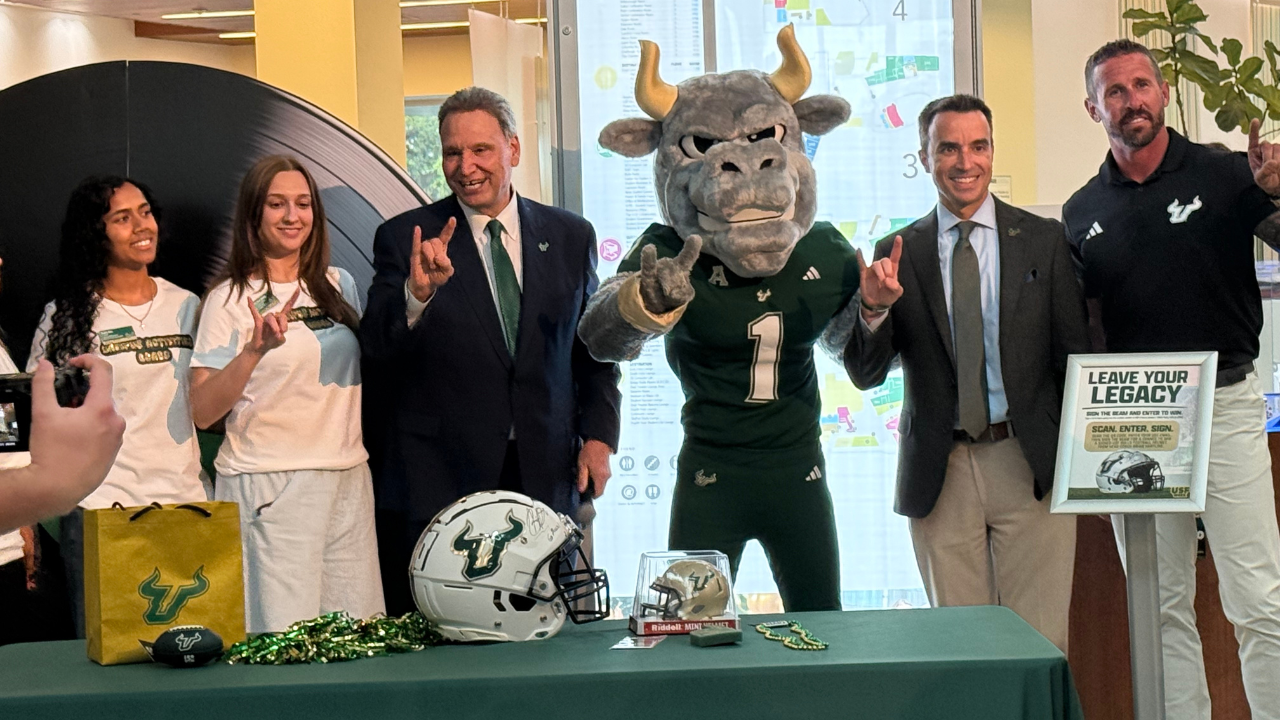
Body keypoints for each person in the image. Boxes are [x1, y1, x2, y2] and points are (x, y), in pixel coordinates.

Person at [1063, 39, 1280, 719]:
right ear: (1094, 108)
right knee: (1160, 609)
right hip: (1138, 420)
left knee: (1258, 600)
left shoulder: (1227, 174)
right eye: (1115, 91)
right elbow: (1087, 331)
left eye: (1142, 85)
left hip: (1227, 405)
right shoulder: (1079, 210)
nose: (1132, 101)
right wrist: (1091, 444)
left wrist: (1277, 191)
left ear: (1161, 93)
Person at [361, 86, 621, 615]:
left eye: (480, 150)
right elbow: (377, 348)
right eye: (453, 153)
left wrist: (599, 436)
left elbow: (591, 348)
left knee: (548, 626)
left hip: (545, 468)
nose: (465, 166)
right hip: (444, 477)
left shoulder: (570, 235)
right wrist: (418, 296)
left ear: (513, 150)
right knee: (455, 634)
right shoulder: (406, 238)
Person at [844, 94, 1088, 652]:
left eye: (978, 146)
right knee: (963, 650)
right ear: (925, 157)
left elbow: (1072, 358)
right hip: (941, 472)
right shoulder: (898, 251)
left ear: (992, 152)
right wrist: (874, 309)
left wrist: (1083, 464)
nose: (965, 161)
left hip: (1030, 467)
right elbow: (864, 374)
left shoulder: (1044, 241)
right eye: (948, 148)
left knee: (1041, 646)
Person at [190, 155, 383, 633]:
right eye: (277, 204)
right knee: (284, 643)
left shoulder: (340, 286)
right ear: (254, 215)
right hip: (269, 484)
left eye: (302, 203)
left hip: (346, 478)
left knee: (354, 641)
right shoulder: (229, 299)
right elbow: (202, 410)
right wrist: (254, 351)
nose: (292, 216)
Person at [28, 176, 207, 637]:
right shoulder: (66, 315)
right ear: (96, 233)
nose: (140, 226)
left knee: (191, 650)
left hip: (185, 505)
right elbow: (40, 414)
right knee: (111, 659)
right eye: (121, 218)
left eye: (145, 212)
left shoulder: (188, 305)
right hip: (101, 512)